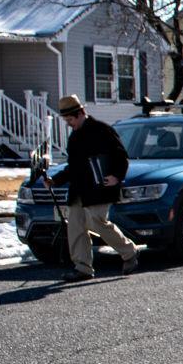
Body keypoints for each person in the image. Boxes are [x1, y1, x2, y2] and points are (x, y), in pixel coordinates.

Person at [55, 94, 138, 280]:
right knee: (75, 227)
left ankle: (129, 252)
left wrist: (117, 176)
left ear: (80, 113)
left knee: (96, 222)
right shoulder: (74, 137)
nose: (69, 124)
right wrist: (56, 180)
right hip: (79, 190)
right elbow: (73, 166)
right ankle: (82, 268)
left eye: (70, 119)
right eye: (66, 120)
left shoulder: (102, 130)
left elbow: (121, 155)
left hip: (100, 188)